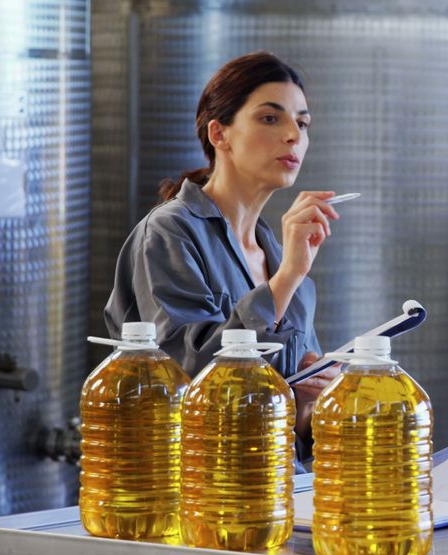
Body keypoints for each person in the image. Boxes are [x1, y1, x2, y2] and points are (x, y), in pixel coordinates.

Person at [105, 52, 339, 470]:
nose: (293, 136)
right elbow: (190, 379)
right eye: (271, 118)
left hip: (272, 494)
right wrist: (285, 280)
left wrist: (311, 402)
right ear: (220, 133)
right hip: (191, 496)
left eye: (302, 123)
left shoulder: (283, 257)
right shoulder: (169, 233)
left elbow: (289, 420)